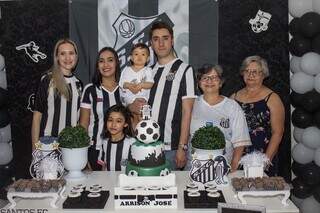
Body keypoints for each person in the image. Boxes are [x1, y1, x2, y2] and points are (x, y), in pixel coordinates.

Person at [129, 21, 197, 169]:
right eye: (156, 39)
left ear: (172, 40)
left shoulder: (185, 70)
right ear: (150, 44)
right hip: (146, 146)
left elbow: (187, 111)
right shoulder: (147, 72)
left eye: (165, 38)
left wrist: (182, 147)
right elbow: (133, 103)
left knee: (173, 191)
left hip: (172, 149)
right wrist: (131, 106)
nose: (161, 43)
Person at [189, 64, 251, 171]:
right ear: (199, 83)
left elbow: (240, 141)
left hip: (222, 167)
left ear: (221, 82)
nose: (209, 81)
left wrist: (233, 166)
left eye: (214, 77)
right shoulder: (191, 104)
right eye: (205, 78)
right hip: (194, 167)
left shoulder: (232, 106)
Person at [231, 55, 285, 176]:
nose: (251, 75)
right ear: (242, 73)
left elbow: (278, 133)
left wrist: (265, 161)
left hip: (263, 156)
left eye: (255, 72)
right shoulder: (233, 97)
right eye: (247, 71)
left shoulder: (273, 98)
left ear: (263, 74)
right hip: (236, 156)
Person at [32, 38, 82, 150]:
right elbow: (37, 116)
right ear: (57, 57)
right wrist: (35, 150)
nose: (68, 58)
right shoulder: (47, 80)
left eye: (71, 53)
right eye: (63, 54)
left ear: (76, 56)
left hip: (71, 145)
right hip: (48, 143)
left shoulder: (79, 84)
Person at [80, 47, 122, 171]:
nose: (106, 65)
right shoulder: (90, 90)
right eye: (101, 61)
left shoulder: (125, 90)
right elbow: (83, 125)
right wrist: (83, 156)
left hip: (120, 149)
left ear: (117, 63)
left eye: (110, 60)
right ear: (97, 66)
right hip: (94, 150)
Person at [119, 43, 154, 125]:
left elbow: (150, 84)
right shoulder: (126, 70)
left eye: (143, 54)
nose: (139, 57)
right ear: (131, 57)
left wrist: (141, 85)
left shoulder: (148, 70)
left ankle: (146, 127)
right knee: (131, 119)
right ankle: (132, 132)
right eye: (136, 54)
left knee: (144, 115)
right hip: (129, 100)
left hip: (143, 99)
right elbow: (122, 84)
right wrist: (129, 86)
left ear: (148, 58)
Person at [97, 104, 135, 171]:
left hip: (126, 180)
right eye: (110, 120)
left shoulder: (132, 143)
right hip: (108, 180)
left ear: (126, 124)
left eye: (118, 121)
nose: (113, 125)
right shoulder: (104, 142)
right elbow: (103, 166)